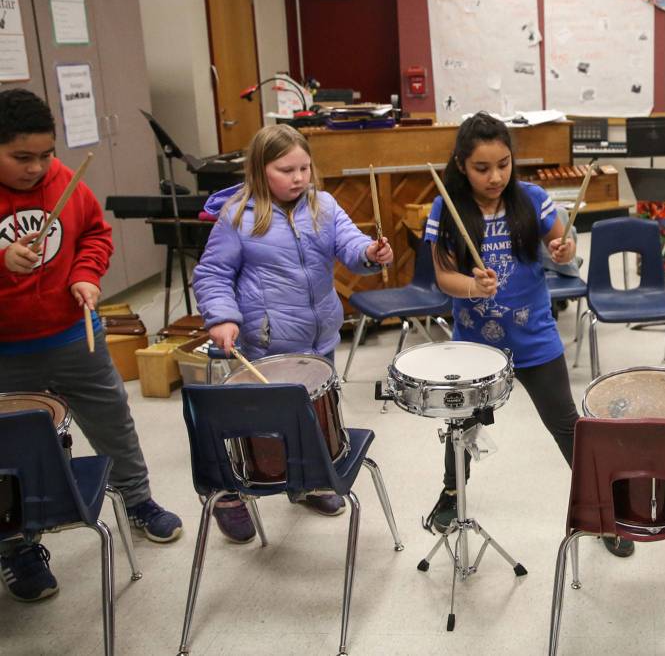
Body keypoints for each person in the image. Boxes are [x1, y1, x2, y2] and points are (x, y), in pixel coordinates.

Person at [0, 89, 183, 602]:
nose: (37, 168)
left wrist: (85, 276)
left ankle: (137, 499)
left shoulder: (64, 181)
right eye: (21, 157)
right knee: (15, 450)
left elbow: (94, 238)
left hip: (71, 336)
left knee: (112, 421)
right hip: (6, 352)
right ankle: (17, 544)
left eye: (45, 154)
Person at [423, 112, 632, 557]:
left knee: (566, 425)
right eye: (482, 168)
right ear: (461, 164)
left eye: (503, 164)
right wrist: (471, 286)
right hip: (476, 343)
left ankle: (600, 508)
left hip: (534, 335)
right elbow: (443, 277)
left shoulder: (533, 199)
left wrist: (564, 247)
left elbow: (563, 244)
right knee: (462, 426)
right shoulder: (446, 207)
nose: (495, 176)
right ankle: (452, 494)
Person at [192, 124, 392, 543]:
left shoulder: (325, 205)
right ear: (260, 170)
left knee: (315, 419)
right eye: (286, 169)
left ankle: (308, 483)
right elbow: (212, 273)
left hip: (318, 342)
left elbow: (351, 247)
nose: (299, 178)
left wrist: (370, 254)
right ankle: (231, 494)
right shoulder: (237, 217)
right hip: (269, 344)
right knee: (261, 429)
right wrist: (222, 317)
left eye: (304, 167)